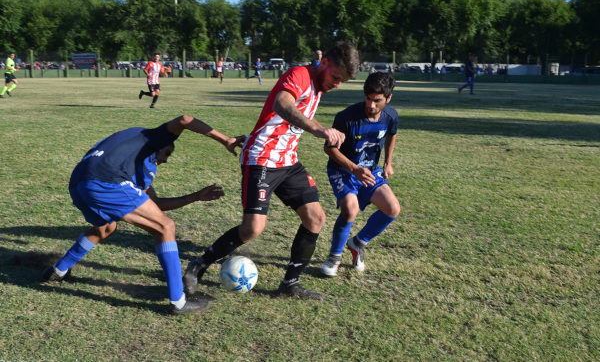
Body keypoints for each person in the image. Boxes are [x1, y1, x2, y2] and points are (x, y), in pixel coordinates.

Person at [184, 42, 360, 300]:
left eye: (342, 81)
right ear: (324, 63)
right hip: (262, 158)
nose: (337, 84)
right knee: (252, 229)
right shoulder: (299, 74)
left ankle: (290, 284)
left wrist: (322, 129)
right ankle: (198, 265)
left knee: (315, 218)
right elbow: (282, 104)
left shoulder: (319, 85)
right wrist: (317, 130)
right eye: (336, 77)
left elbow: (300, 115)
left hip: (288, 160)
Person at [42, 115, 245, 315]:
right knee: (166, 227)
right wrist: (225, 139)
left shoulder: (130, 147)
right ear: (161, 144)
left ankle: (58, 270)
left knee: (105, 227)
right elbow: (184, 120)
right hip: (105, 180)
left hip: (79, 183)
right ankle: (178, 301)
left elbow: (154, 205)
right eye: (167, 153)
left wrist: (195, 197)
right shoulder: (153, 137)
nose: (164, 160)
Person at [321, 72, 401, 277]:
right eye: (368, 98)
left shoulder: (391, 116)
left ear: (388, 98)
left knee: (392, 208)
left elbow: (392, 135)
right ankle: (334, 256)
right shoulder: (347, 117)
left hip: (369, 170)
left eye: (377, 101)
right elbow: (329, 149)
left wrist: (388, 162)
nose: (371, 105)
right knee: (350, 209)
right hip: (343, 170)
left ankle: (357, 243)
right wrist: (354, 169)